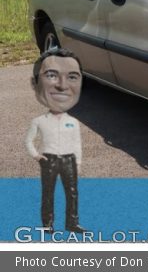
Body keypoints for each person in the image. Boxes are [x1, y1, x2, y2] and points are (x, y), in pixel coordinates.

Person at [25, 47, 86, 234]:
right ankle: (47, 224)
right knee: (48, 192)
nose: (62, 85)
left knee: (73, 192)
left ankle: (72, 223)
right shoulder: (39, 121)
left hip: (69, 160)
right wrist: (36, 155)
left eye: (72, 77)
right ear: (35, 84)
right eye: (51, 75)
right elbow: (29, 140)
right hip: (49, 159)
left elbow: (76, 143)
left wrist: (78, 161)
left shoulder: (73, 122)